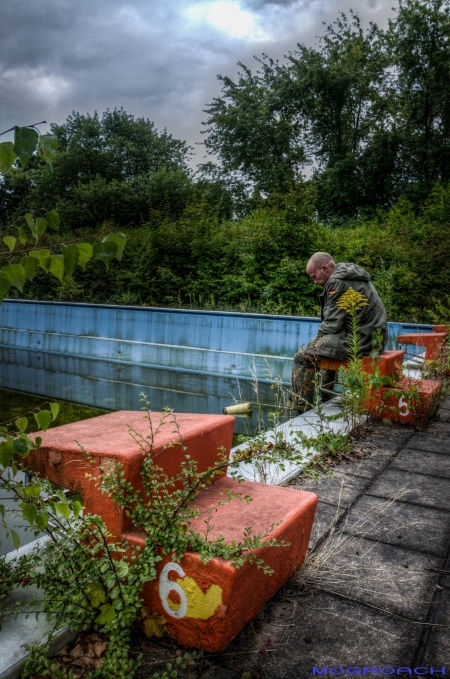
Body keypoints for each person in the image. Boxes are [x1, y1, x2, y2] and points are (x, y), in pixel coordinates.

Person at [290, 252, 387, 411]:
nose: (314, 282)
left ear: (324, 269)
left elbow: (332, 323)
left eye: (314, 277)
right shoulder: (350, 275)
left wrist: (315, 342)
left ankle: (299, 409)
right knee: (325, 346)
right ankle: (325, 398)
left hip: (361, 339)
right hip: (372, 337)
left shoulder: (337, 282)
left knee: (303, 357)